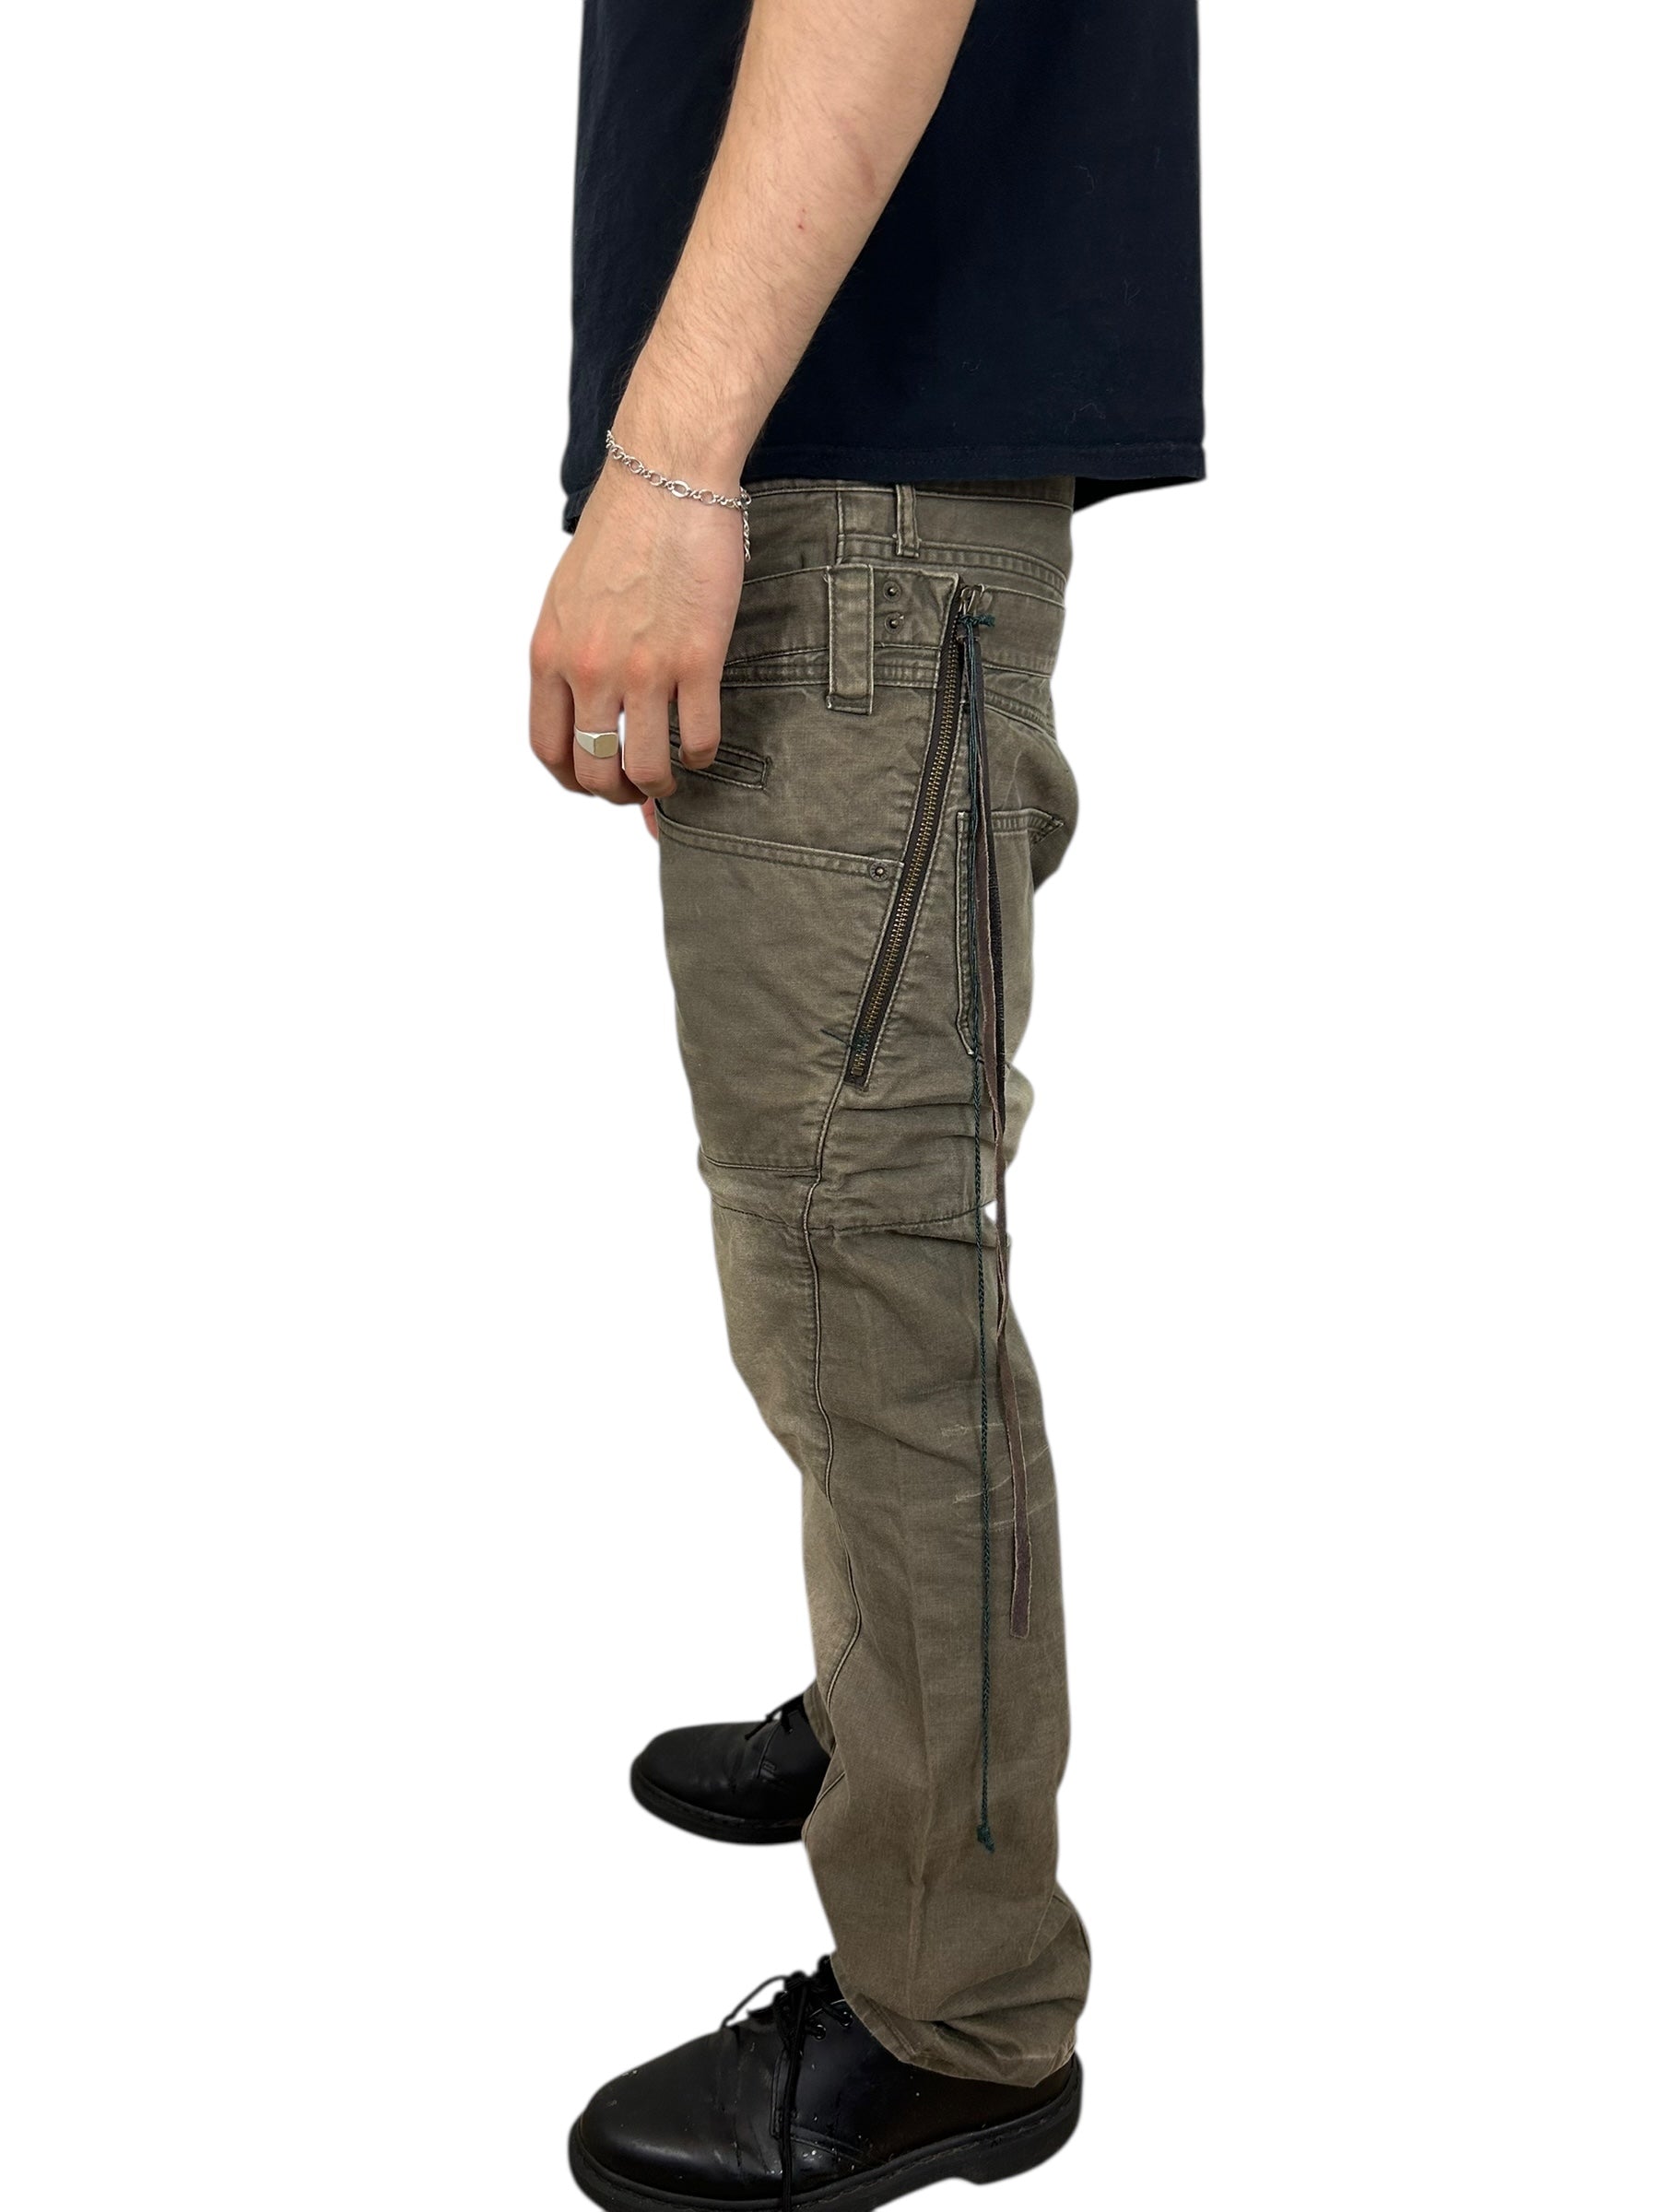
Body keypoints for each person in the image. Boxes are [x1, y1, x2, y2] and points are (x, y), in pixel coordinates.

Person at [529, 4, 1202, 2204]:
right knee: (835, 1233)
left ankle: (956, 2008)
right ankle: (891, 1715)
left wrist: (669, 471)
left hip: (848, 459)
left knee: (862, 1243)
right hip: (850, 446)